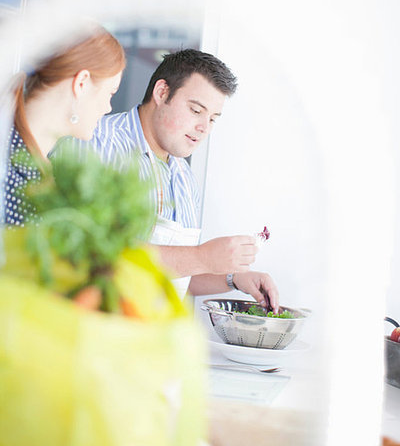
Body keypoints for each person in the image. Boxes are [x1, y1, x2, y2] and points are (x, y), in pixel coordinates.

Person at [87, 49, 279, 310]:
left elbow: (179, 276)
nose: (204, 128)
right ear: (162, 92)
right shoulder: (98, 143)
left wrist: (234, 278)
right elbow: (93, 256)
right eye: (196, 110)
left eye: (212, 119)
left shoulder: (183, 177)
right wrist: (202, 256)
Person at [4, 25, 125, 226]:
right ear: (82, 83)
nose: (108, 108)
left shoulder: (35, 165)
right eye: (110, 93)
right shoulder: (11, 175)